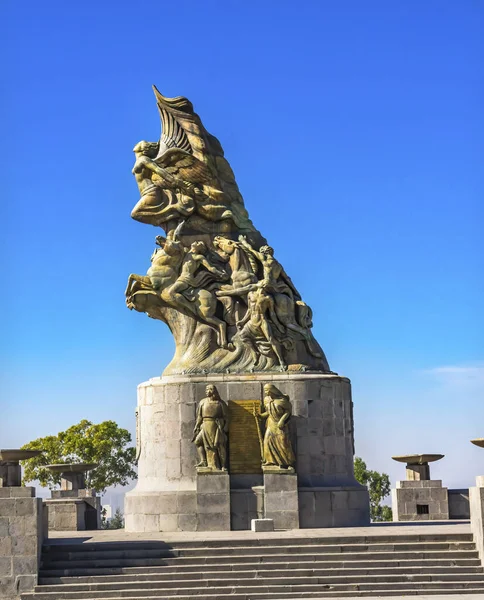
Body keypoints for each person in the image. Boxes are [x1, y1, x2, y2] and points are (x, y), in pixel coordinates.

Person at [259, 384, 296, 469]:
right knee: (267, 441)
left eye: (266, 390)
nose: (265, 392)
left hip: (280, 425)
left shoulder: (282, 400)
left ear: (271, 390)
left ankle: (288, 463)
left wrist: (282, 420)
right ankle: (270, 461)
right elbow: (268, 412)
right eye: (264, 390)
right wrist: (260, 415)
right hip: (271, 424)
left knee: (283, 443)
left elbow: (288, 411)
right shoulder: (266, 400)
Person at [192, 385, 228, 470]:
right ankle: (203, 460)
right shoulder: (202, 402)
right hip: (205, 425)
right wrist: (197, 426)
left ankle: (223, 466)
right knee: (197, 441)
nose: (207, 391)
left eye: (209, 389)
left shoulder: (220, 403)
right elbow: (200, 416)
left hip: (216, 426)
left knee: (219, 446)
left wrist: (224, 426)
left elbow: (227, 417)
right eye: (206, 389)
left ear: (213, 391)